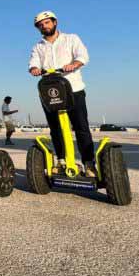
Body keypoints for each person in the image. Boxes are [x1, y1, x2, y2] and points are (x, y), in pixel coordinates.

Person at [28, 10, 96, 177]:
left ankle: (89, 163)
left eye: (47, 23)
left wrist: (74, 64)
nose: (44, 26)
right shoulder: (38, 46)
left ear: (55, 22)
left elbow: (83, 56)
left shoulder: (71, 39)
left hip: (73, 89)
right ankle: (61, 161)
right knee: (55, 129)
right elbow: (33, 63)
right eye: (41, 25)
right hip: (50, 92)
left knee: (81, 127)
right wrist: (35, 69)